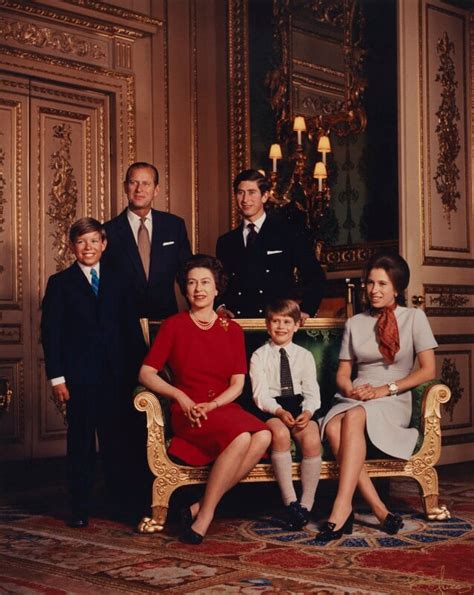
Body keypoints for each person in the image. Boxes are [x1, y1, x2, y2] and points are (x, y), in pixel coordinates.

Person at [138, 254, 271, 544]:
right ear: (185, 290)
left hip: (221, 407)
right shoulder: (173, 326)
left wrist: (216, 404)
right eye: (192, 283)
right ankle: (205, 515)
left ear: (216, 288)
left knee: (261, 437)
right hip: (188, 410)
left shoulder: (231, 330)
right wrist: (179, 396)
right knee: (242, 438)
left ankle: (199, 505)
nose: (198, 289)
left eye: (205, 282)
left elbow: (237, 384)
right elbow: (146, 373)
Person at [317, 251, 437, 541]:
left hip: (394, 396)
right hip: (357, 394)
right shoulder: (355, 323)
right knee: (333, 426)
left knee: (354, 417)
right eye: (370, 283)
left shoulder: (414, 318)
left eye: (382, 284)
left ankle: (341, 506)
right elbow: (343, 374)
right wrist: (349, 389)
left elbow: (428, 371)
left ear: (397, 287)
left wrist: (385, 390)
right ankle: (379, 509)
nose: (374, 290)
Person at [40, 218, 146, 528]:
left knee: (119, 443)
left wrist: (141, 375)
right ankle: (80, 507)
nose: (88, 247)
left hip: (118, 377)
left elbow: (131, 332)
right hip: (80, 379)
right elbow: (51, 334)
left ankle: (121, 504)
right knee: (82, 443)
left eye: (94, 241)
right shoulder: (60, 283)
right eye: (82, 242)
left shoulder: (120, 281)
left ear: (104, 244)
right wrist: (57, 378)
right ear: (73, 247)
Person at [216, 169, 325, 320]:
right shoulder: (225, 242)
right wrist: (220, 307)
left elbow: (315, 276)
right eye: (240, 193)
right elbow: (218, 285)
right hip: (238, 324)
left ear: (265, 196)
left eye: (252, 192)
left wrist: (307, 310)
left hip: (277, 323)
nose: (245, 199)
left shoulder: (288, 234)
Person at [250, 299, 322, 530]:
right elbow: (260, 395)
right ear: (267, 325)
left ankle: (305, 505)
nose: (281, 326)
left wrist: (308, 412)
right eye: (276, 321)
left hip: (299, 405)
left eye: (287, 321)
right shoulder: (259, 356)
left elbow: (312, 392)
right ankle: (290, 502)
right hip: (271, 407)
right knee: (280, 435)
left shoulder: (304, 356)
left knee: (311, 439)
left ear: (297, 325)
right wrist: (279, 412)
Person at [104, 161, 192, 320]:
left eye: (146, 183)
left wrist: (199, 313)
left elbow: (186, 274)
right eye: (133, 183)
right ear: (125, 187)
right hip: (122, 323)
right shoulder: (108, 231)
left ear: (156, 189)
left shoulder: (174, 226)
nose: (139, 189)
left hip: (166, 321)